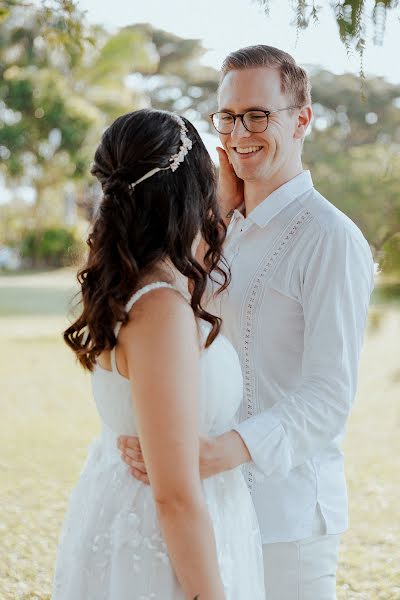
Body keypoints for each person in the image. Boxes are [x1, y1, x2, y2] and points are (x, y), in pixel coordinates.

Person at [119, 46, 375, 599]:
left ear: (302, 119)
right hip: (205, 508)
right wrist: (216, 217)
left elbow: (329, 395)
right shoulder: (212, 231)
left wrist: (222, 451)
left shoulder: (330, 239)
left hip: (286, 520)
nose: (240, 132)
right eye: (229, 117)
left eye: (258, 115)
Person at [52, 108, 265, 600]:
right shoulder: (161, 312)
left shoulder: (136, 288)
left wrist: (222, 214)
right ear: (189, 192)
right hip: (167, 540)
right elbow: (174, 495)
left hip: (134, 515)